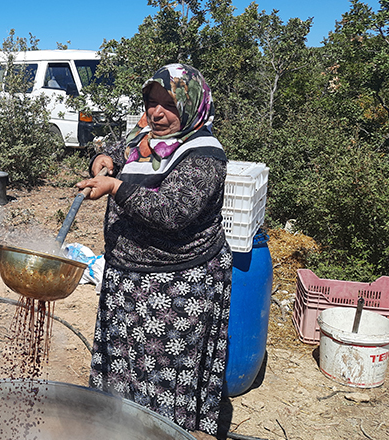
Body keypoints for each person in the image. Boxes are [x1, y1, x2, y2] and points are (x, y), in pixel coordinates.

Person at [76, 63, 231, 439]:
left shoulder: (205, 154)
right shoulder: (148, 134)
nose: (156, 113)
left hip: (174, 289)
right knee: (126, 374)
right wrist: (106, 161)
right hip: (128, 281)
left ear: (192, 105)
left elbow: (173, 211)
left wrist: (116, 188)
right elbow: (121, 148)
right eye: (151, 102)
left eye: (169, 103)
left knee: (162, 377)